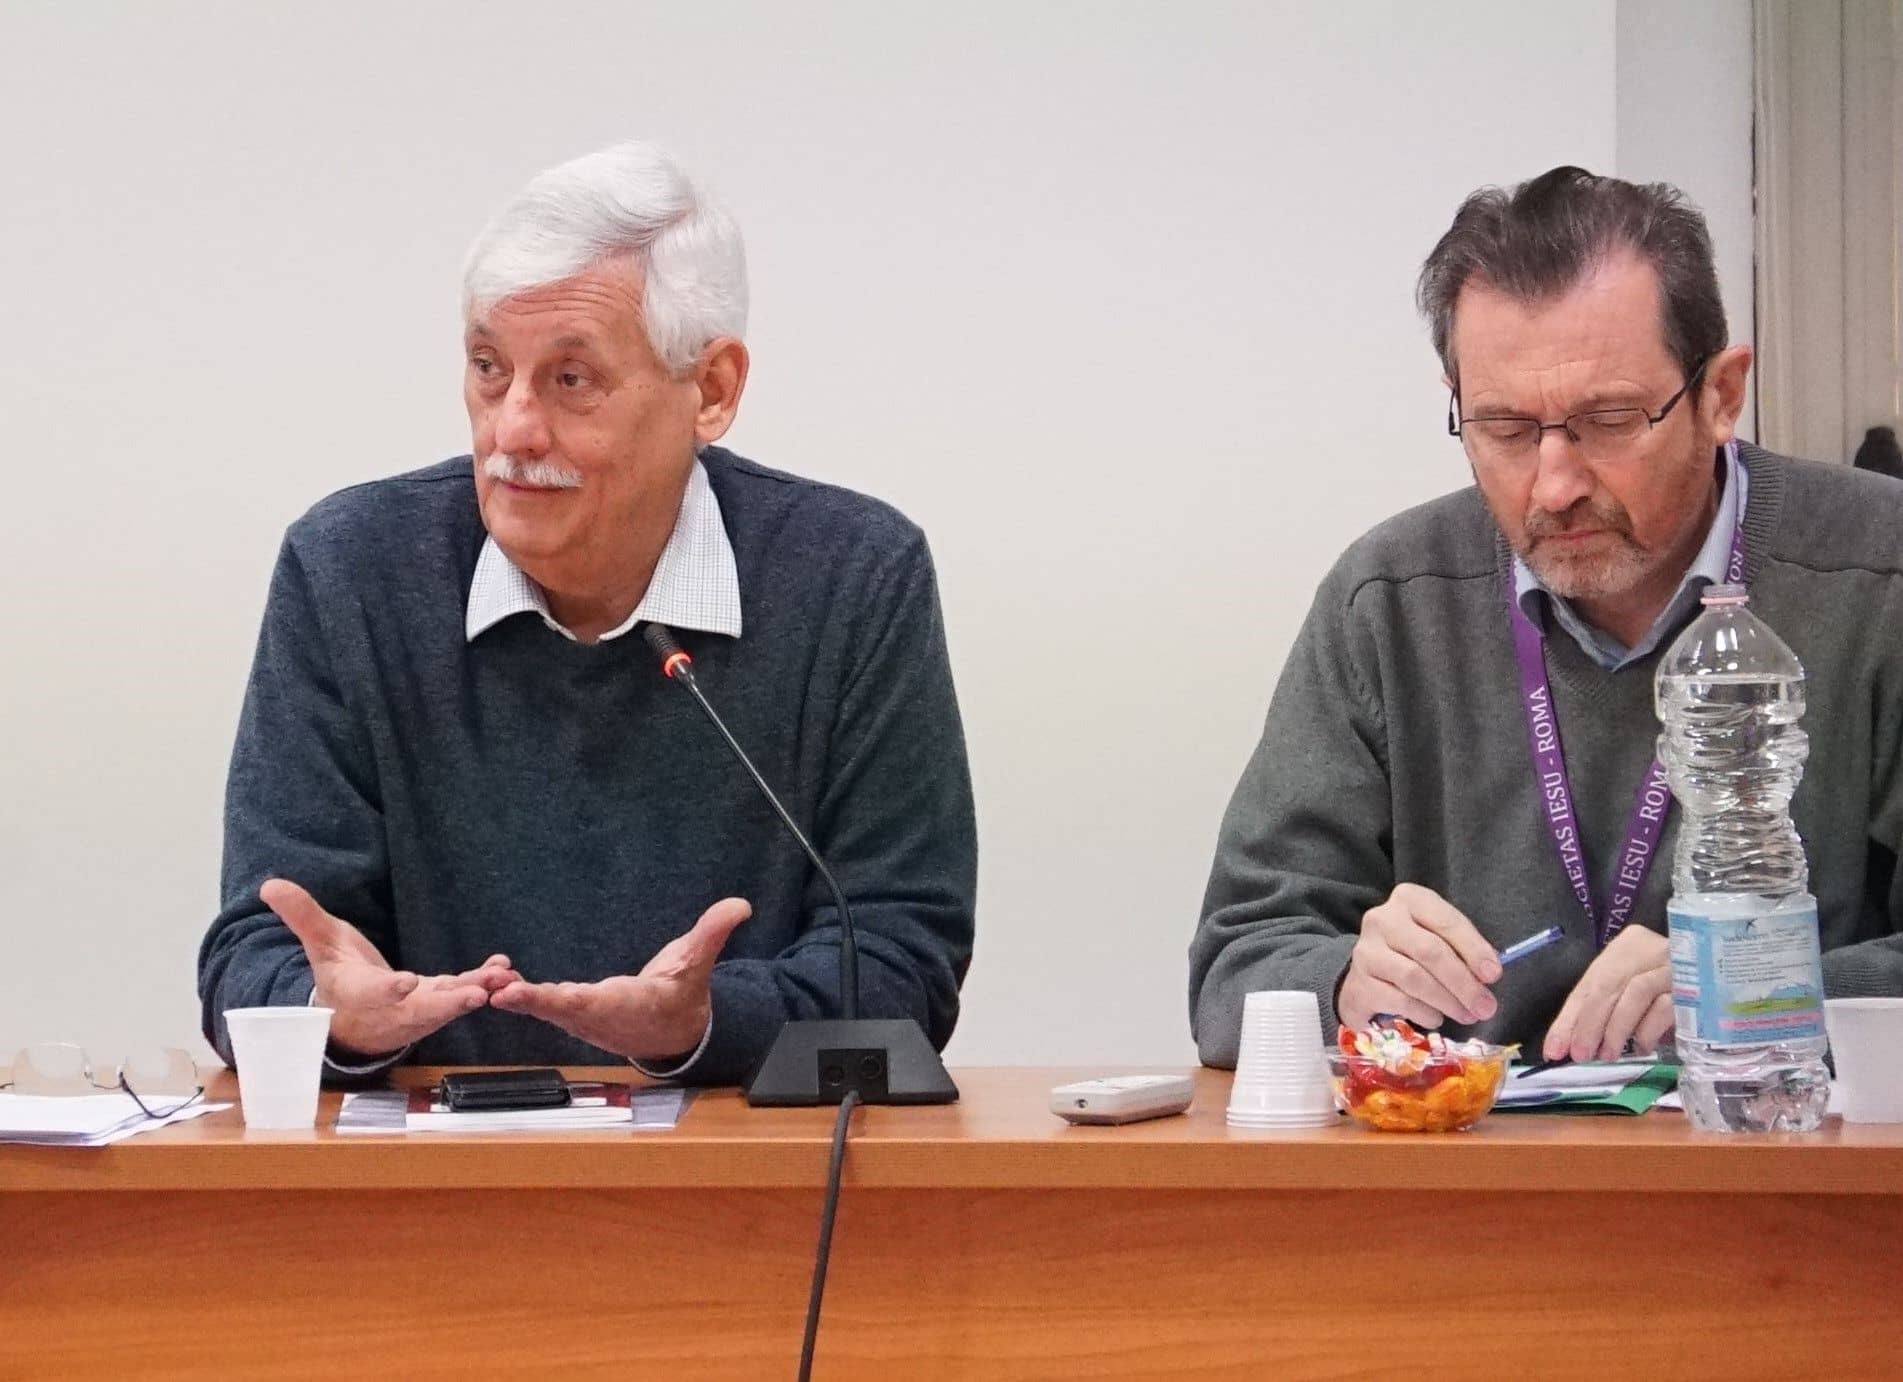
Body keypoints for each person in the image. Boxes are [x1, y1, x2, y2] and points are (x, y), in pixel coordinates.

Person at [198, 142, 977, 1085]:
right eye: (490, 368)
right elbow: (255, 954)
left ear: (713, 390)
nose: (512, 430)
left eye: (571, 381)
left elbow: (903, 965)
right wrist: (332, 1013)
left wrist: (701, 1022)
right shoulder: (351, 569)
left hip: (733, 1187)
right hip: (416, 1185)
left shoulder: (851, 575)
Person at [1190, 167, 1903, 1067]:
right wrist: (1344, 980)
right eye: (1504, 429)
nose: (1554, 485)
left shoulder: (1878, 578)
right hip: (1482, 1186)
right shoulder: (1390, 599)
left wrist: (1749, 979)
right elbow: (1233, 967)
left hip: (1787, 1177)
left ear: (1720, 395)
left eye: (1606, 420)